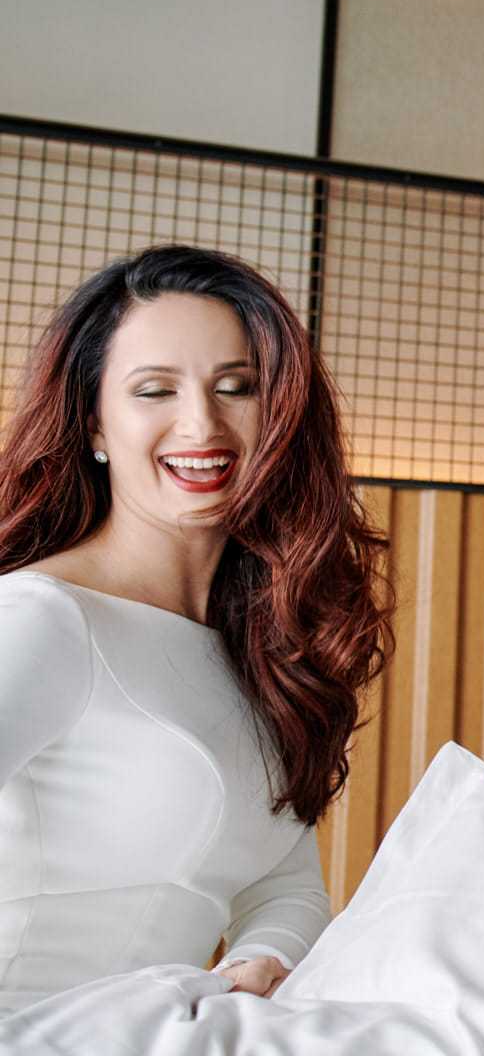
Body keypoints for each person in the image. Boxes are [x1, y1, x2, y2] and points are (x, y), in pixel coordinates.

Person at [0, 245, 391, 1012]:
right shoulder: (42, 618)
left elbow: (285, 885)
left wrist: (259, 962)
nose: (201, 424)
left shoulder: (265, 650)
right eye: (155, 390)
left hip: (158, 1032)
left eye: (236, 387)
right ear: (94, 423)